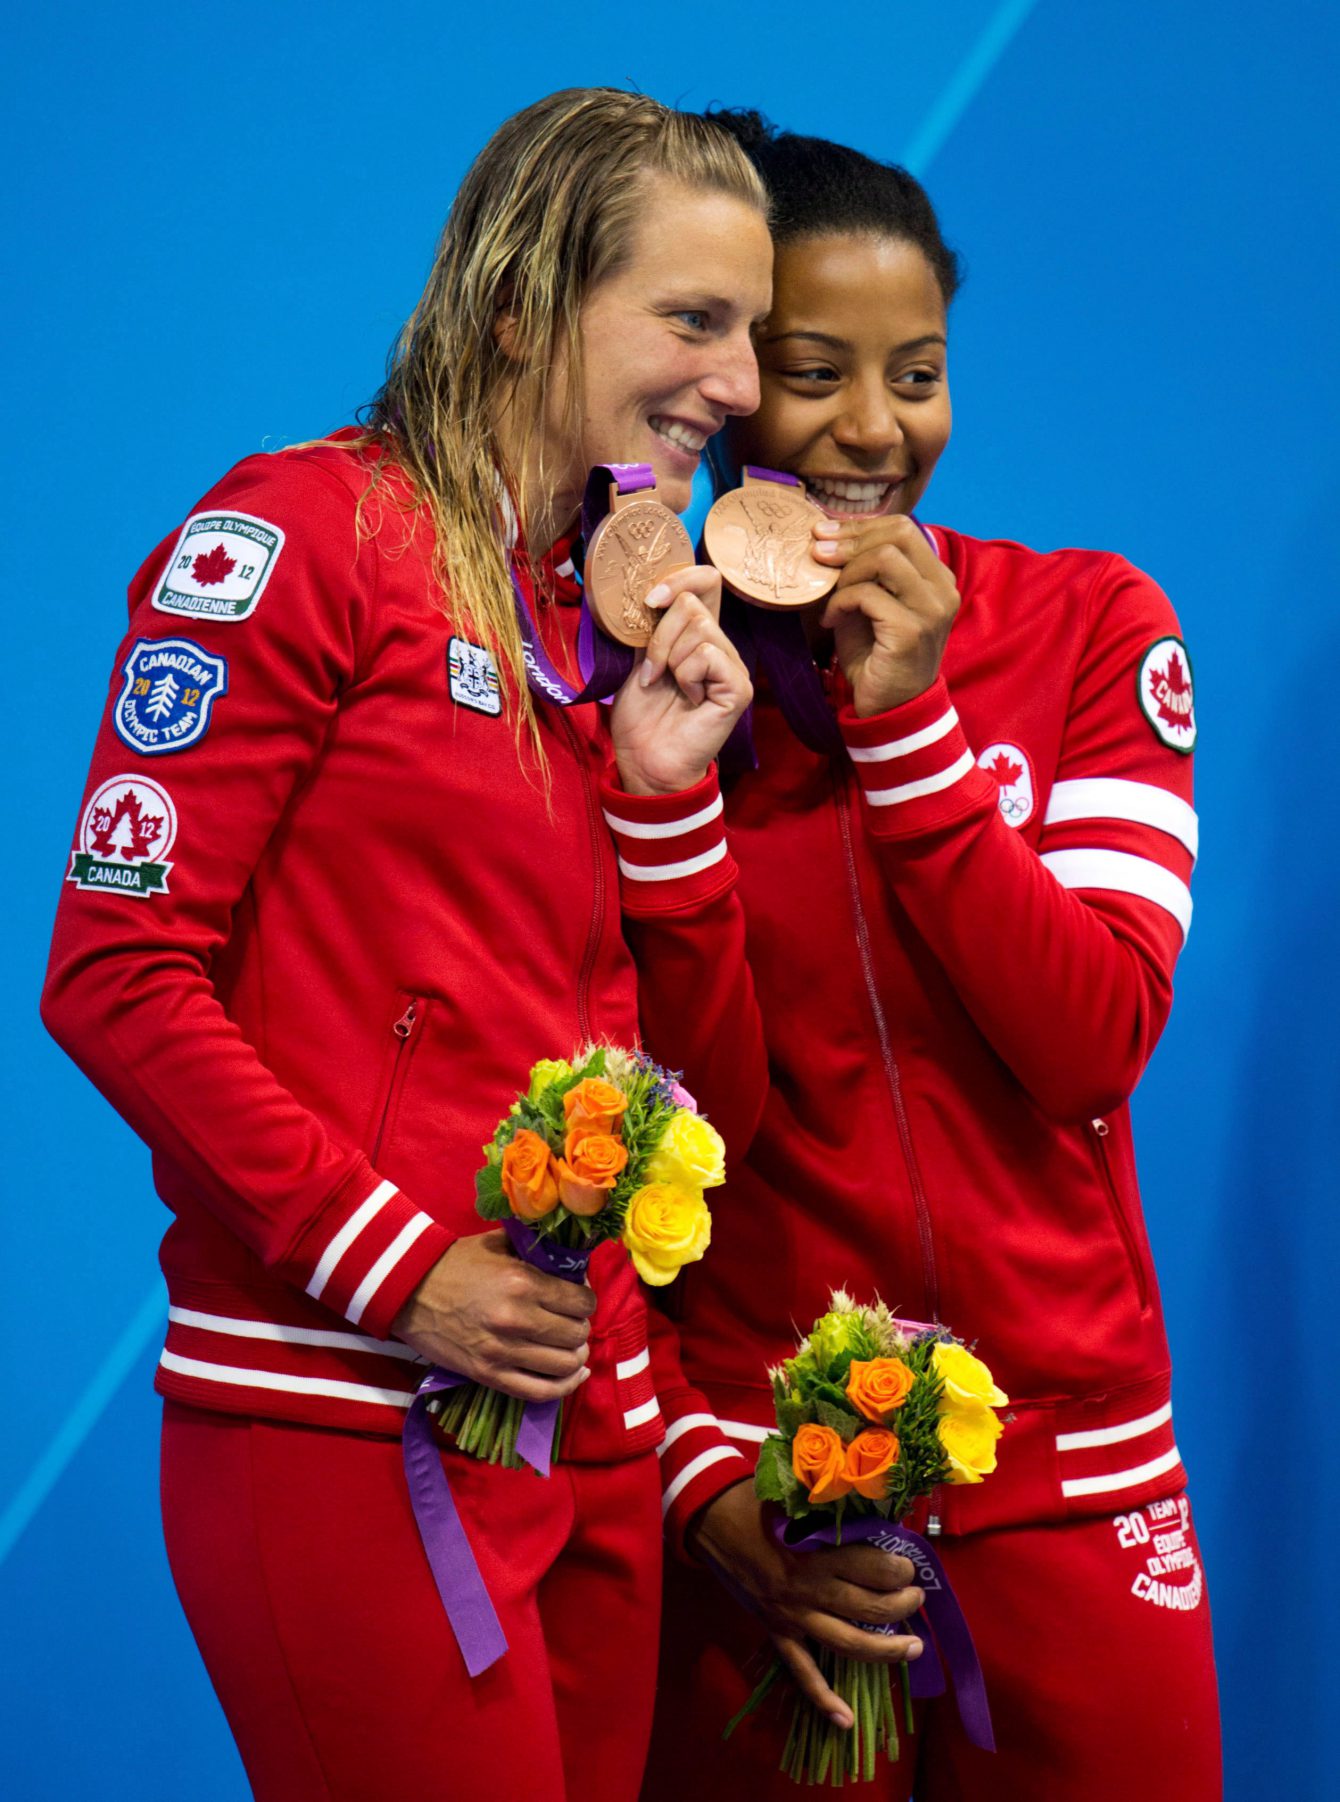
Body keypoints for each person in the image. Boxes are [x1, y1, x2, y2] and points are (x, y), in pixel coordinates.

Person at [41, 89, 792, 1802]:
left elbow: (715, 1112)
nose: (742, 384)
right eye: (695, 319)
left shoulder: (603, 628)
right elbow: (115, 972)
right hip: (344, 1407)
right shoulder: (303, 537)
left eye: (749, 332)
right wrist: (404, 1271)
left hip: (586, 1432)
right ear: (522, 305)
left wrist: (668, 803)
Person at [629, 111, 1221, 1801]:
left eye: (921, 375)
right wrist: (699, 1473)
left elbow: (1093, 1038)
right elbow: (648, 1116)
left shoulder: (1091, 626)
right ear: (729, 382)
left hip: (1073, 1480)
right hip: (778, 1507)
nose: (877, 430)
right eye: (816, 372)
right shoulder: (635, 695)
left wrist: (910, 733)